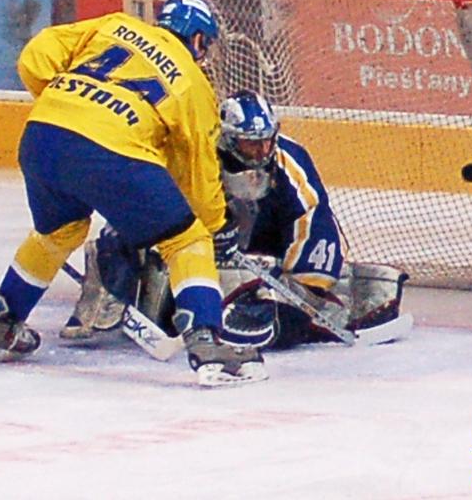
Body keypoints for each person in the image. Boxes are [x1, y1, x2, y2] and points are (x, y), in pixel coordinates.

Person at [0, 0, 268, 386]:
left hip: (43, 134)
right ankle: (208, 345)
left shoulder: (114, 25)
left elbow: (35, 57)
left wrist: (70, 105)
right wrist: (214, 225)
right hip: (111, 152)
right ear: (197, 39)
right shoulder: (194, 84)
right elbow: (197, 168)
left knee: (57, 233)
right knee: (187, 239)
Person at [65, 89, 408, 349]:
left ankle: (261, 305)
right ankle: (111, 288)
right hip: (198, 245)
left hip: (264, 254)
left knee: (295, 302)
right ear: (228, 139)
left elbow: (313, 219)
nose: (261, 152)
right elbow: (147, 202)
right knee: (124, 242)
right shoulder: (197, 154)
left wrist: (304, 287)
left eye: (266, 142)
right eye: (250, 145)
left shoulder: (289, 161)